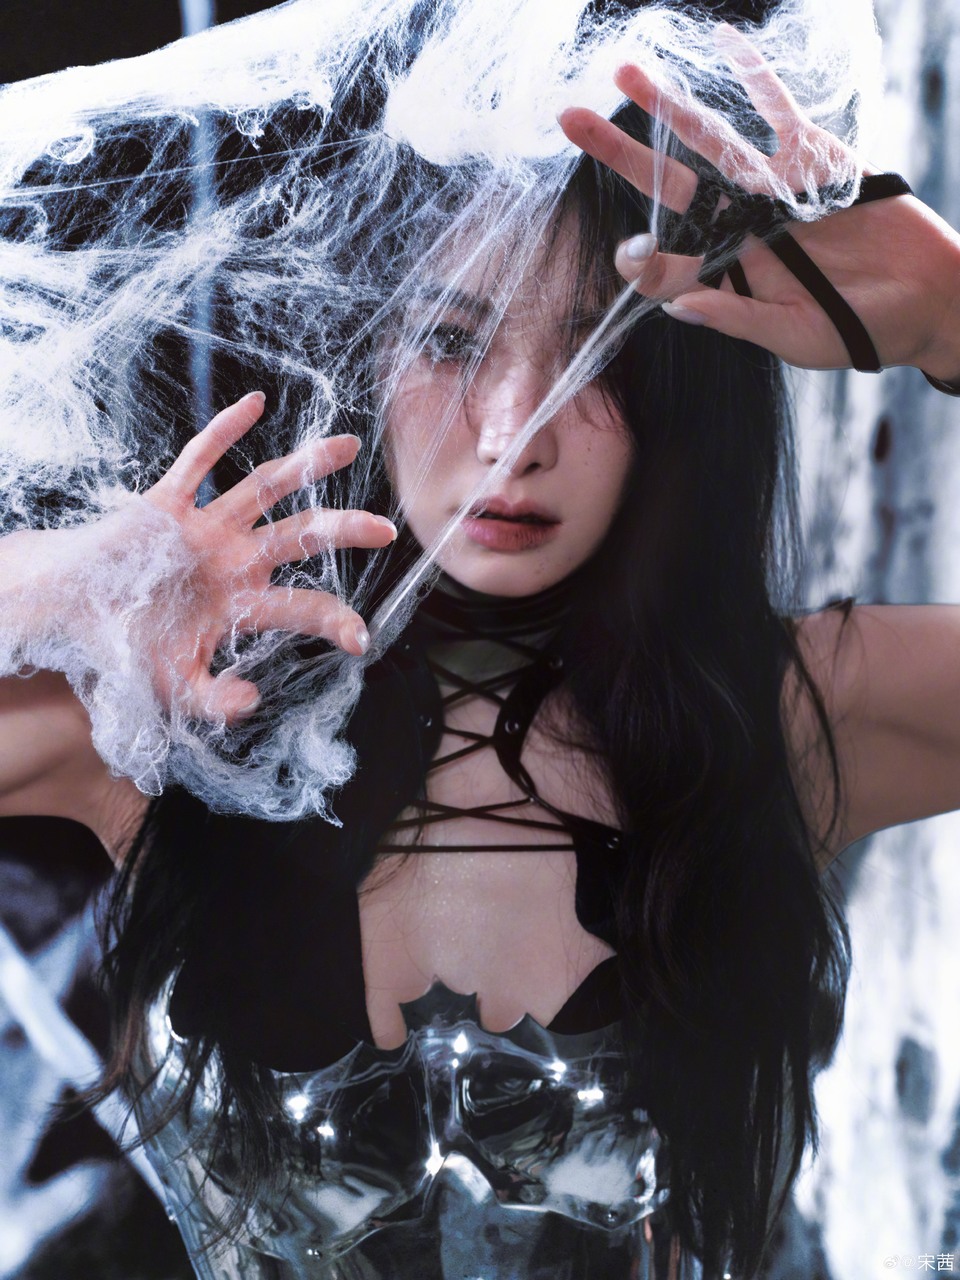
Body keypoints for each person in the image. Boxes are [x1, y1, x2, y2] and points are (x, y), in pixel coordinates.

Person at [1, 8, 959, 1279]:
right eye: (454, 340)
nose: (517, 429)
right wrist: (75, 585)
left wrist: (948, 312)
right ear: (362, 356)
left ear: (682, 385)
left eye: (597, 354)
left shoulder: (770, 717)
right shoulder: (174, 725)